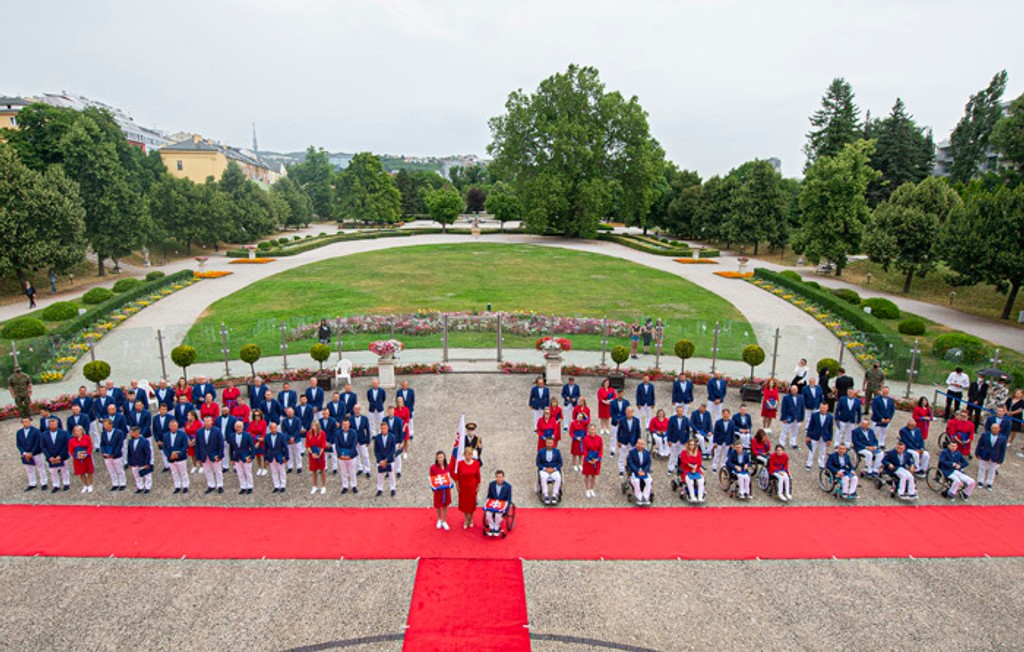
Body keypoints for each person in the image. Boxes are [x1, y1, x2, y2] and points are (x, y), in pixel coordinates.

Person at [455, 446, 482, 528]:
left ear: (472, 455)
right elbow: (457, 477)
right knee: (464, 504)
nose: (468, 456)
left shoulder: (476, 464)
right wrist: (457, 486)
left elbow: (478, 476)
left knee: (472, 504)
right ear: (464, 455)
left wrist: (478, 486)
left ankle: (471, 518)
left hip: (472, 488)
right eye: (466, 454)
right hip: (463, 488)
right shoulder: (460, 463)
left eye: (470, 454)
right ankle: (466, 519)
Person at [196, 415, 225, 494]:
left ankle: (220, 485)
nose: (207, 423)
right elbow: (197, 445)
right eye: (205, 421)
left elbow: (221, 444)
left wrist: (220, 455)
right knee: (207, 471)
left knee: (218, 471)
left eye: (208, 421)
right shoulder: (199, 432)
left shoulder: (217, 431)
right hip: (204, 455)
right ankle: (211, 485)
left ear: (212, 422)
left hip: (215, 455)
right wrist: (198, 457)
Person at [40, 418, 70, 493]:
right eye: (51, 424)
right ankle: (56, 485)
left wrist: (60, 456)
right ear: (49, 425)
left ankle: (66, 483)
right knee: (53, 472)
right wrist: (49, 456)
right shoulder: (43, 434)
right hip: (51, 456)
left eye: (55, 424)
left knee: (64, 470)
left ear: (57, 424)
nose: (53, 425)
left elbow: (66, 445)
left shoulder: (64, 433)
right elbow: (43, 446)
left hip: (62, 456)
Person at [975, 422, 1007, 491]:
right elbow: (979, 444)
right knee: (982, 468)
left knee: (992, 470)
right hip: (984, 454)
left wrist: (1001, 459)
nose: (994, 430)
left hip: (995, 456)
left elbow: (1003, 450)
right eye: (993, 428)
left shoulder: (1002, 438)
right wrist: (977, 453)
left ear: (999, 429)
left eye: (996, 428)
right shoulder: (985, 435)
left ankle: (989, 483)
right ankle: (980, 481)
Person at [16, 417, 46, 491]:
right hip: (25, 454)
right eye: (24, 422)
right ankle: (32, 483)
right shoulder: (19, 432)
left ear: (30, 421)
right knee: (29, 469)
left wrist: (31, 452)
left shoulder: (36, 431)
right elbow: (18, 444)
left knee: (40, 468)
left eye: (27, 421)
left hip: (36, 453)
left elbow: (38, 442)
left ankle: (44, 483)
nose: (25, 423)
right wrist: (24, 452)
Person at [226, 421, 254, 495]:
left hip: (246, 457)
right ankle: (243, 487)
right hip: (237, 457)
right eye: (237, 427)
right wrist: (231, 458)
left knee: (248, 472)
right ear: (235, 427)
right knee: (240, 473)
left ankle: (250, 486)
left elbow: (252, 446)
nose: (238, 428)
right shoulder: (232, 436)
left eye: (240, 427)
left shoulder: (247, 435)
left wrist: (251, 457)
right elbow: (231, 448)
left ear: (242, 427)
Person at [162, 419, 189, 494]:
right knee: (174, 473)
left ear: (177, 426)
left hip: (181, 457)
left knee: (183, 472)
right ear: (169, 426)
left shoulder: (183, 434)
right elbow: (164, 447)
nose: (173, 427)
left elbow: (185, 445)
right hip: (171, 458)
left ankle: (185, 486)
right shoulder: (165, 435)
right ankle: (177, 486)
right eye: (171, 426)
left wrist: (179, 454)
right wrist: (169, 455)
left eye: (174, 425)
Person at [429, 451, 454, 530]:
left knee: (445, 505)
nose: (440, 459)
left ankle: (444, 520)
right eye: (438, 457)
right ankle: (439, 519)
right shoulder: (433, 467)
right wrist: (433, 490)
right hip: (438, 490)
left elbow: (450, 477)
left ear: (444, 457)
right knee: (438, 505)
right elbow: (432, 479)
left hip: (446, 490)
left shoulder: (448, 466)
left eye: (441, 457)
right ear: (436, 458)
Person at [806, 403, 834, 471]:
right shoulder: (815, 415)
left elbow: (830, 429)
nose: (823, 409)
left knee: (822, 451)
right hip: (815, 435)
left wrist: (829, 439)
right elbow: (810, 426)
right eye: (822, 408)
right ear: (820, 407)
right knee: (812, 450)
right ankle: (809, 464)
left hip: (824, 436)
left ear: (827, 408)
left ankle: (821, 464)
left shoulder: (830, 417)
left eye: (825, 408)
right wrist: (808, 436)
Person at [334, 417, 359, 493]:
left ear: (349, 424)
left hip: (351, 455)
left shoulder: (353, 432)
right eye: (344, 424)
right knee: (343, 472)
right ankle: (345, 486)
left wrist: (350, 455)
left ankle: (354, 485)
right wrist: (340, 454)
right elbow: (337, 445)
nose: (345, 426)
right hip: (342, 455)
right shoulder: (338, 433)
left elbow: (354, 445)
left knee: (352, 471)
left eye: (346, 424)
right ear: (342, 425)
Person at [484, 470, 512, 536]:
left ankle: (496, 527)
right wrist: (486, 504)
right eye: (497, 477)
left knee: (498, 514)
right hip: (492, 504)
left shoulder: (508, 486)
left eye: (500, 477)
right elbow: (489, 496)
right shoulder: (491, 484)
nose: (498, 478)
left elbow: (508, 499)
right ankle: (491, 527)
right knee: (488, 513)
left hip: (501, 505)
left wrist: (506, 509)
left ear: (503, 477)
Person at [126, 426, 153, 494]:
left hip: (143, 462)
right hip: (134, 462)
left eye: (132, 432)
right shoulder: (130, 441)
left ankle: (147, 487)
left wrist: (147, 463)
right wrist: (129, 462)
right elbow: (129, 453)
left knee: (147, 475)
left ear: (137, 432)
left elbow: (148, 453)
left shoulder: (145, 441)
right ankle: (140, 487)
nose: (130, 434)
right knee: (136, 475)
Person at [373, 420, 397, 497]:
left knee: (391, 475)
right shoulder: (377, 438)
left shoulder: (392, 437)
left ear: (387, 428)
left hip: (389, 460)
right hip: (380, 460)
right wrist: (380, 460)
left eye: (385, 428)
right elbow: (376, 450)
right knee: (380, 475)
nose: (383, 430)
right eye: (382, 428)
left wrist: (386, 460)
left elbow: (393, 450)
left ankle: (392, 488)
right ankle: (380, 489)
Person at [615, 406, 641, 476]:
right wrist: (618, 441)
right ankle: (621, 470)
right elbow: (619, 431)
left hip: (633, 441)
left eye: (630, 412)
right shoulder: (622, 420)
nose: (629, 413)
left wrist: (638, 441)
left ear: (633, 412)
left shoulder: (636, 420)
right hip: (624, 440)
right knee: (622, 455)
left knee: (633, 456)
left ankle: (631, 469)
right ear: (625, 412)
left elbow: (638, 431)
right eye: (628, 412)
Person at [537, 438, 563, 504]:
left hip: (554, 469)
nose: (549, 444)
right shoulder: (541, 451)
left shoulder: (557, 451)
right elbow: (538, 463)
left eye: (550, 443)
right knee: (543, 477)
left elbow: (560, 463)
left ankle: (554, 494)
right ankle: (546, 495)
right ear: (546, 443)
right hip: (544, 469)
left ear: (553, 443)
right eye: (548, 443)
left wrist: (554, 469)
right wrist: (545, 469)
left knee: (558, 477)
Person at [68, 426, 94, 494]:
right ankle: (85, 485)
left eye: (79, 431)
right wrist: (76, 456)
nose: (77, 432)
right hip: (78, 459)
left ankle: (90, 484)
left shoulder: (87, 437)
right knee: (81, 472)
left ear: (82, 431)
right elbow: (70, 450)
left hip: (87, 458)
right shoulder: (71, 440)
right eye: (76, 431)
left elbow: (90, 446)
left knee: (89, 471)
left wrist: (86, 454)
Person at [627, 437, 653, 504]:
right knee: (636, 481)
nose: (640, 445)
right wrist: (637, 471)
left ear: (644, 445)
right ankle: (639, 497)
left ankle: (646, 497)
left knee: (649, 481)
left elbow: (649, 463)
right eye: (639, 444)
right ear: (636, 444)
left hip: (644, 471)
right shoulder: (632, 452)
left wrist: (644, 471)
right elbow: (630, 463)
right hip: (635, 471)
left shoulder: (646, 453)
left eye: (642, 444)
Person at [265, 421, 289, 493]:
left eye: (275, 428)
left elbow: (285, 447)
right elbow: (265, 449)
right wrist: (266, 459)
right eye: (272, 428)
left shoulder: (281, 436)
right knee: (274, 472)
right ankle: (276, 485)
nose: (273, 430)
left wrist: (286, 457)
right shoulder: (267, 436)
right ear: (270, 429)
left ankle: (283, 485)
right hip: (271, 456)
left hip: (279, 456)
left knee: (282, 471)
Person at [678, 438, 705, 502]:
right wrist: (690, 465)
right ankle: (692, 496)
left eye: (693, 444)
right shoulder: (684, 452)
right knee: (690, 481)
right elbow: (683, 461)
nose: (692, 446)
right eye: (690, 444)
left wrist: (695, 466)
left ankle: (700, 496)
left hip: (696, 469)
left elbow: (699, 461)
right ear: (688, 445)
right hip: (686, 469)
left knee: (701, 481)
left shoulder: (698, 452)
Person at [666, 405, 690, 475]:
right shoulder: (672, 418)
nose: (679, 412)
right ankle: (670, 468)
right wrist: (669, 440)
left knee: (681, 455)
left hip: (682, 439)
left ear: (683, 411)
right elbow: (669, 430)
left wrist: (687, 441)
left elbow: (688, 431)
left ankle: (679, 468)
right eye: (678, 411)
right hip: (674, 439)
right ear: (676, 411)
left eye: (681, 411)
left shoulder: (686, 419)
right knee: (672, 454)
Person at [305, 420, 327, 495]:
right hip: (312, 455)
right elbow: (307, 444)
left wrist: (319, 454)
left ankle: (323, 486)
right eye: (312, 425)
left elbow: (323, 445)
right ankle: (314, 486)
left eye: (314, 425)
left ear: (318, 426)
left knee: (322, 470)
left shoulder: (322, 433)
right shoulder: (308, 433)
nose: (313, 427)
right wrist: (312, 453)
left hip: (320, 454)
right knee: (313, 470)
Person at [280, 406, 305, 474]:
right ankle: (290, 467)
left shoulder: (298, 419)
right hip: (288, 440)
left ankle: (299, 467)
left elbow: (298, 430)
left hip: (296, 439)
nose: (290, 413)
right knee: (289, 454)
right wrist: (289, 438)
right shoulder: (284, 421)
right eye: (288, 412)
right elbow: (284, 431)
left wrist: (293, 437)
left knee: (298, 454)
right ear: (286, 412)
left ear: (293, 411)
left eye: (291, 411)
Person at [581, 423, 603, 498]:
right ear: (588, 430)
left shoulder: (599, 438)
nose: (592, 431)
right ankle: (587, 489)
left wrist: (598, 458)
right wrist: (588, 459)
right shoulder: (585, 439)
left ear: (595, 430)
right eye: (591, 429)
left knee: (594, 475)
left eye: (593, 429)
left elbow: (601, 449)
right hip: (588, 459)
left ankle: (592, 488)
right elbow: (584, 449)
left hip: (596, 459)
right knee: (587, 475)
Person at [779, 384, 804, 450]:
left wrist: (802, 417)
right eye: (792, 390)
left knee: (795, 431)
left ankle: (793, 443)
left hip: (797, 417)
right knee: (784, 430)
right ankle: (782, 443)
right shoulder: (786, 397)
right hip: (789, 417)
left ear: (797, 390)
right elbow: (783, 408)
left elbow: (802, 408)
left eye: (795, 390)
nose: (793, 391)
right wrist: (783, 418)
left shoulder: (801, 397)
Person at [711, 408, 735, 473]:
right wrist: (715, 442)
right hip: (719, 441)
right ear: (722, 414)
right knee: (717, 454)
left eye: (727, 414)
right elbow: (715, 432)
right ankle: (714, 466)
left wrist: (732, 443)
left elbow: (732, 433)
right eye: (724, 414)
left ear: (729, 414)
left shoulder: (732, 423)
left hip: (727, 441)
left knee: (725, 454)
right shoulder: (718, 422)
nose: (725, 415)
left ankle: (723, 465)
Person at [351, 404, 372, 476]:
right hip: (354, 441)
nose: (357, 411)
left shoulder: (364, 418)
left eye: (358, 409)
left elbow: (367, 430)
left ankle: (367, 470)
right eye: (355, 409)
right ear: (353, 410)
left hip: (363, 440)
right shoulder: (350, 419)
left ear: (360, 410)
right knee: (357, 456)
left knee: (365, 456)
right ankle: (359, 468)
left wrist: (368, 440)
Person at [249, 410, 268, 477]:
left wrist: (259, 441)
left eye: (258, 415)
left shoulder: (263, 422)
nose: (257, 417)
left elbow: (264, 432)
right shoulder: (251, 423)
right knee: (258, 455)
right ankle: (259, 467)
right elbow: (250, 432)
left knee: (264, 455)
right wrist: (256, 438)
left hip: (262, 440)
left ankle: (265, 468)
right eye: (255, 415)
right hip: (255, 440)